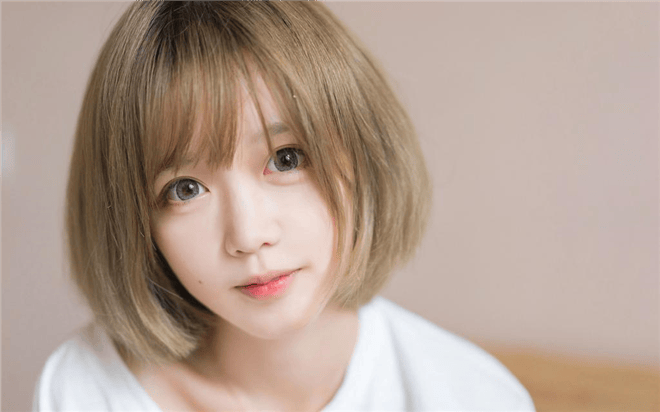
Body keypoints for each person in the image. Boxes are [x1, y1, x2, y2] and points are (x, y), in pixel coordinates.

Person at [33, 2, 535, 411]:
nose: (249, 236)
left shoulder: (471, 396)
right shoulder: (83, 391)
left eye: (286, 159)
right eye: (185, 189)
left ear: (363, 157)